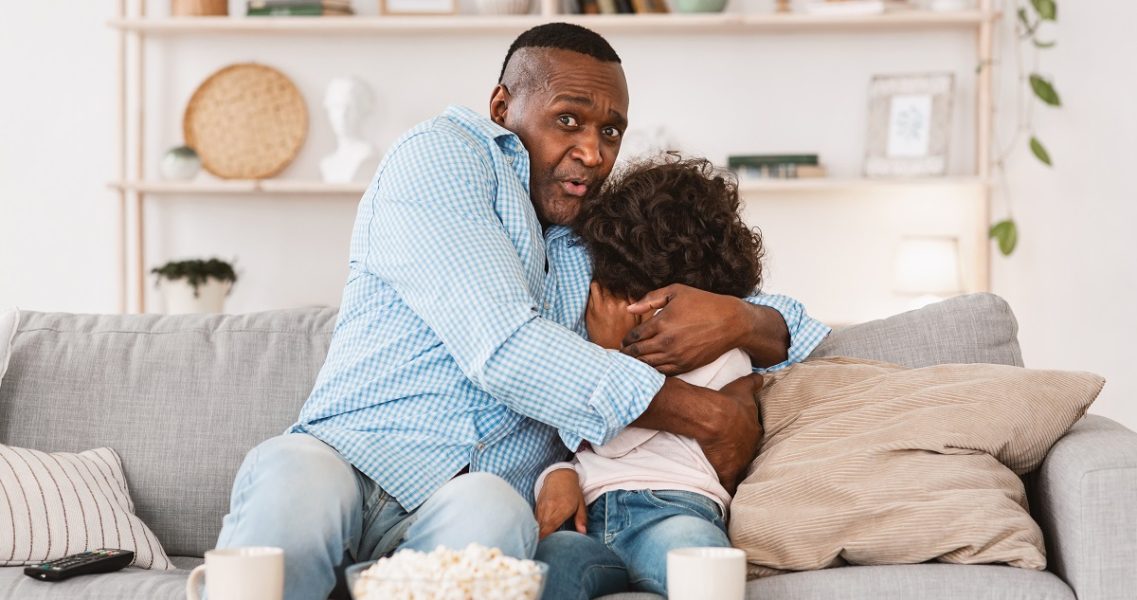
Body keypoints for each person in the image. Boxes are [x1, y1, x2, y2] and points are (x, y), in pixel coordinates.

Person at [214, 23, 830, 600]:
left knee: (495, 509)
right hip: (350, 458)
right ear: (503, 107)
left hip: (465, 504)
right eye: (569, 120)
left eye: (610, 132)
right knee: (297, 479)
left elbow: (779, 316)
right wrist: (705, 416)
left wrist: (737, 319)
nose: (592, 151)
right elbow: (504, 348)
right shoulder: (443, 158)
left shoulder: (596, 236)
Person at [534, 156, 765, 598]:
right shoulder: (582, 351)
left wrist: (611, 356)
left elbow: (731, 454)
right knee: (550, 566)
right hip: (588, 518)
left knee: (702, 557)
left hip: (674, 513)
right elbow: (569, 442)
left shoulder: (725, 356)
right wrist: (556, 476)